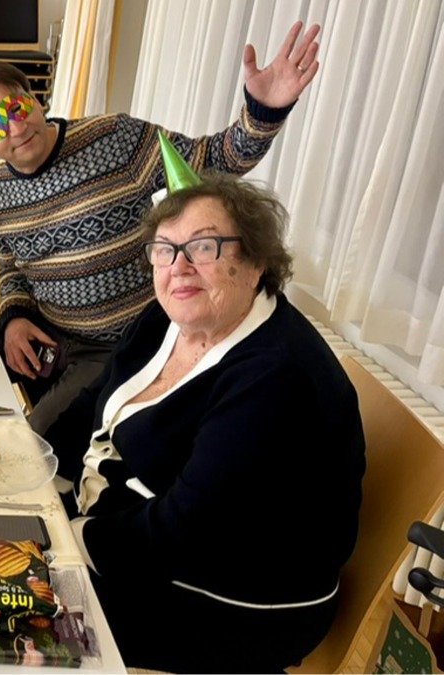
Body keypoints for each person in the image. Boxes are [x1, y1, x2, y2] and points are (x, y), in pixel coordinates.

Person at [44, 171, 365, 672]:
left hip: (231, 601)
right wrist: (39, 470)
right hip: (132, 532)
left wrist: (64, 541)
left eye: (204, 247)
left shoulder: (277, 375)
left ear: (255, 262)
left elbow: (186, 530)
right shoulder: (169, 318)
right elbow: (94, 402)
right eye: (165, 249)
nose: (179, 267)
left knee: (11, 608)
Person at [0, 21, 322, 435]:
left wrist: (263, 112)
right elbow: (9, 265)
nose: (17, 127)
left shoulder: (115, 139)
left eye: (18, 108)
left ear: (35, 100)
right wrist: (15, 318)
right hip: (47, 330)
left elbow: (212, 160)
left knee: (33, 441)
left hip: (118, 344)